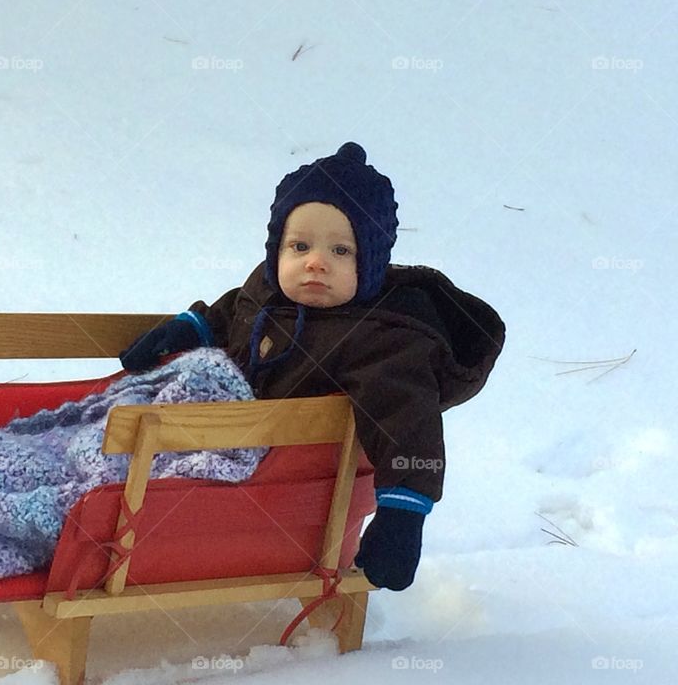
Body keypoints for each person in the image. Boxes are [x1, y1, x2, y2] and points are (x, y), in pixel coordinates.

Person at [120, 142, 505, 591]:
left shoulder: (382, 341)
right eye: (299, 245)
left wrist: (403, 515)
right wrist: (189, 328)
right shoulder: (268, 290)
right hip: (213, 439)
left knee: (127, 462)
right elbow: (236, 313)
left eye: (341, 251)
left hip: (273, 492)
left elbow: (406, 423)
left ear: (372, 262)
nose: (315, 262)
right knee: (110, 428)